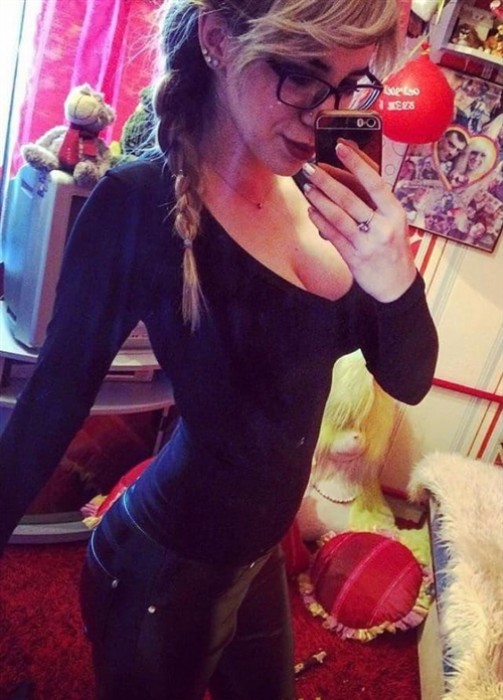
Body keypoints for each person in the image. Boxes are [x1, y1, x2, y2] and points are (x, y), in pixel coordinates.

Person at [0, 1, 438, 698]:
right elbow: (51, 404)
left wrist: (395, 279)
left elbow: (407, 379)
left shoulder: (322, 198)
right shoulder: (138, 202)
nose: (322, 114)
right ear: (217, 39)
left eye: (350, 83)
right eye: (301, 74)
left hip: (258, 557)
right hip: (162, 569)